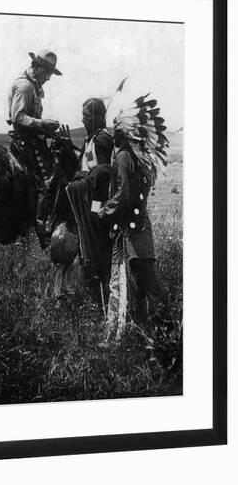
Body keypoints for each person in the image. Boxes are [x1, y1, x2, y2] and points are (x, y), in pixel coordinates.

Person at [99, 109, 167, 343]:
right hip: (138, 226)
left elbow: (124, 195)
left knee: (145, 280)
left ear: (123, 135)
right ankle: (146, 333)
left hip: (130, 230)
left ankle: (166, 332)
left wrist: (105, 209)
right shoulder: (138, 158)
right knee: (140, 281)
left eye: (116, 132)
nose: (113, 137)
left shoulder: (123, 158)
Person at [8, 49, 62, 249]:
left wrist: (46, 129)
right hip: (25, 142)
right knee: (45, 183)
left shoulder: (34, 86)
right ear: (37, 67)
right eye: (47, 71)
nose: (49, 77)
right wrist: (42, 124)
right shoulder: (24, 86)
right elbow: (18, 118)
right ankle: (42, 231)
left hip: (32, 139)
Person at [66, 98, 113, 310]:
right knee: (88, 249)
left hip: (96, 204)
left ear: (97, 117)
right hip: (87, 201)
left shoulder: (102, 139)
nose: (83, 119)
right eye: (83, 115)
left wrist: (83, 181)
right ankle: (94, 297)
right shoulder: (91, 138)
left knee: (97, 249)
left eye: (86, 115)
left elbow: (103, 174)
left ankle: (103, 299)